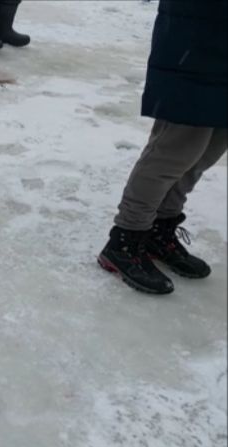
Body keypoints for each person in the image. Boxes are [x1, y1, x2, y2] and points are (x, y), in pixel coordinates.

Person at [98, 0, 227, 295]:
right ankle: (125, 240)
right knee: (178, 149)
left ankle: (160, 228)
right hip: (198, 36)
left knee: (208, 150)